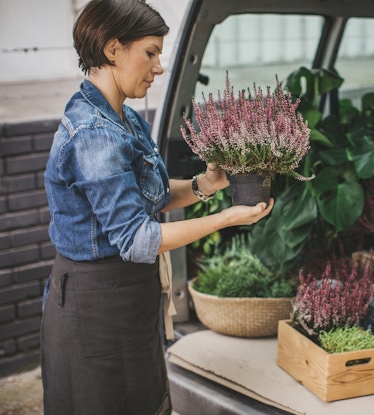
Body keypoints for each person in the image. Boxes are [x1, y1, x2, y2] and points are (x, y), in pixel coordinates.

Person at [40, 1, 273, 414]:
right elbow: (136, 238)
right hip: (95, 307)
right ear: (113, 49)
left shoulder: (123, 120)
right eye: (150, 52)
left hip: (128, 296)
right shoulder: (95, 135)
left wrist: (208, 184)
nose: (159, 67)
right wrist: (227, 218)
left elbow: (154, 197)